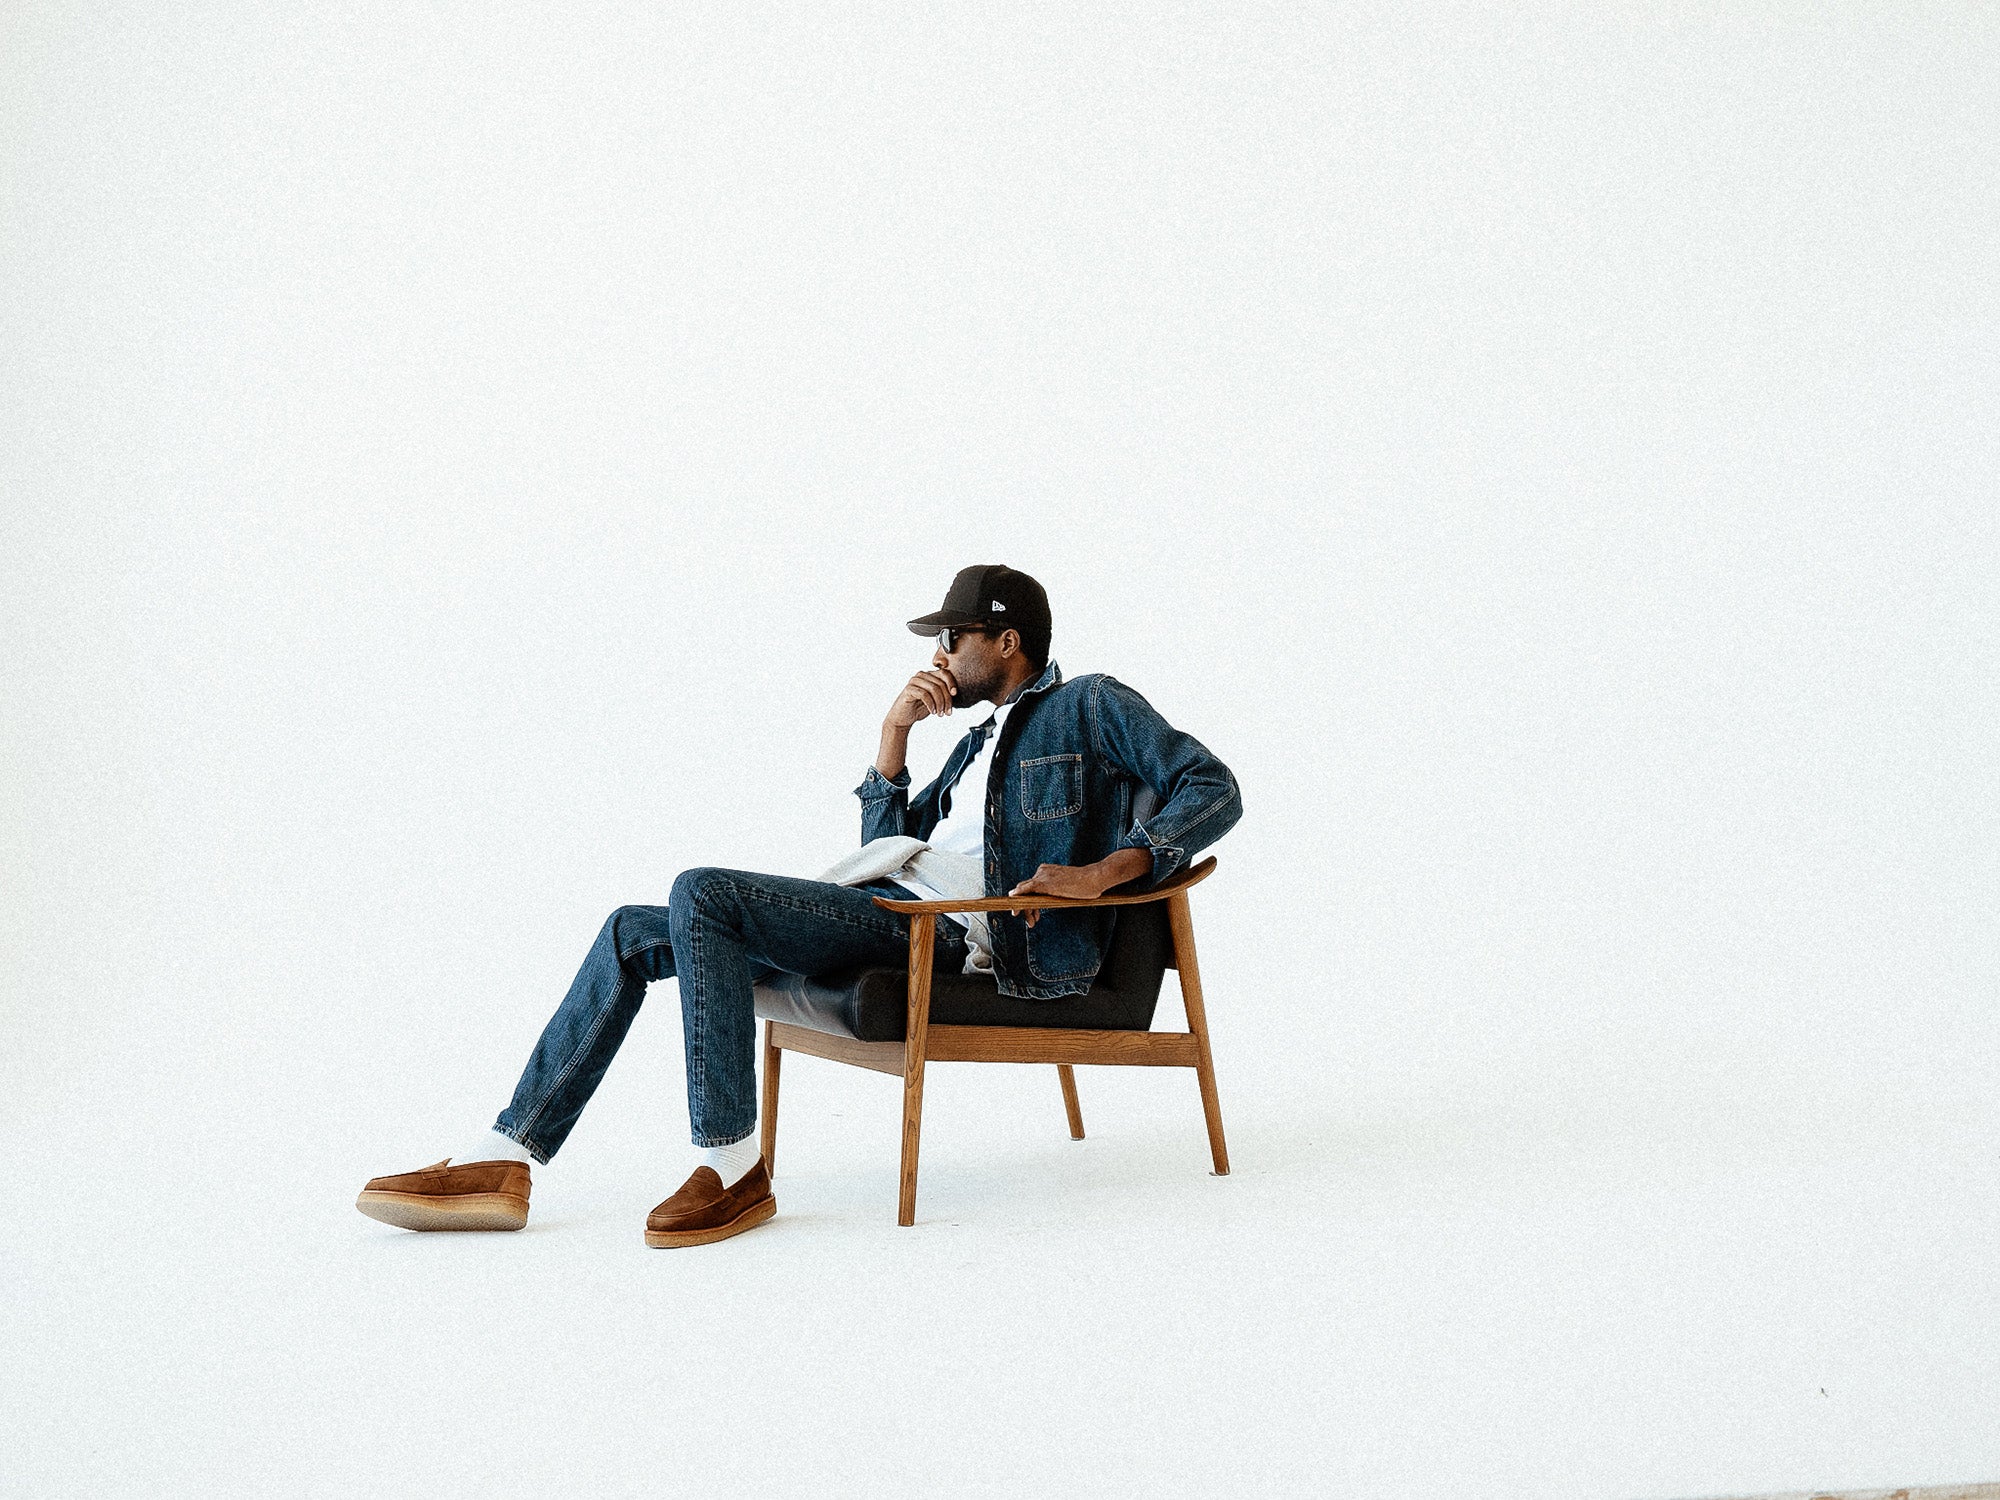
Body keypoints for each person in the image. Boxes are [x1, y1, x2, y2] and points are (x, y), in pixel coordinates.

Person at [355, 564, 1243, 1246]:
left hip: (934, 934)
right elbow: (898, 835)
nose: (941, 655)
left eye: (956, 638)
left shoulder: (1089, 706)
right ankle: (509, 1161)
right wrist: (894, 736)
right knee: (633, 930)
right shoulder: (980, 742)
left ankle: (734, 1168)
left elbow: (1212, 786)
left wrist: (1101, 874)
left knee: (703, 893)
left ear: (1007, 642)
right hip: (884, 899)